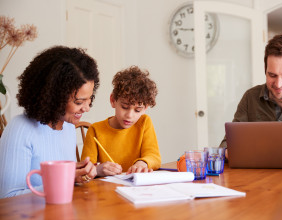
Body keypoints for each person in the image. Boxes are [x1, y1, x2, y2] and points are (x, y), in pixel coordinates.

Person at [0, 46, 100, 198]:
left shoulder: (67, 128)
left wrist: (77, 174)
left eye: (89, 99)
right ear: (54, 96)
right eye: (79, 102)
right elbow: (7, 198)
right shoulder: (20, 130)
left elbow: (62, 188)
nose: (86, 108)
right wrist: (64, 180)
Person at [81, 66, 161, 176]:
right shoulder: (95, 130)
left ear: (145, 108)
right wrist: (98, 169)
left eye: (138, 110)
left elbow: (154, 157)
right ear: (113, 100)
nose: (129, 115)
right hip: (106, 190)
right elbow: (85, 169)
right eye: (124, 107)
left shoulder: (144, 122)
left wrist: (143, 163)